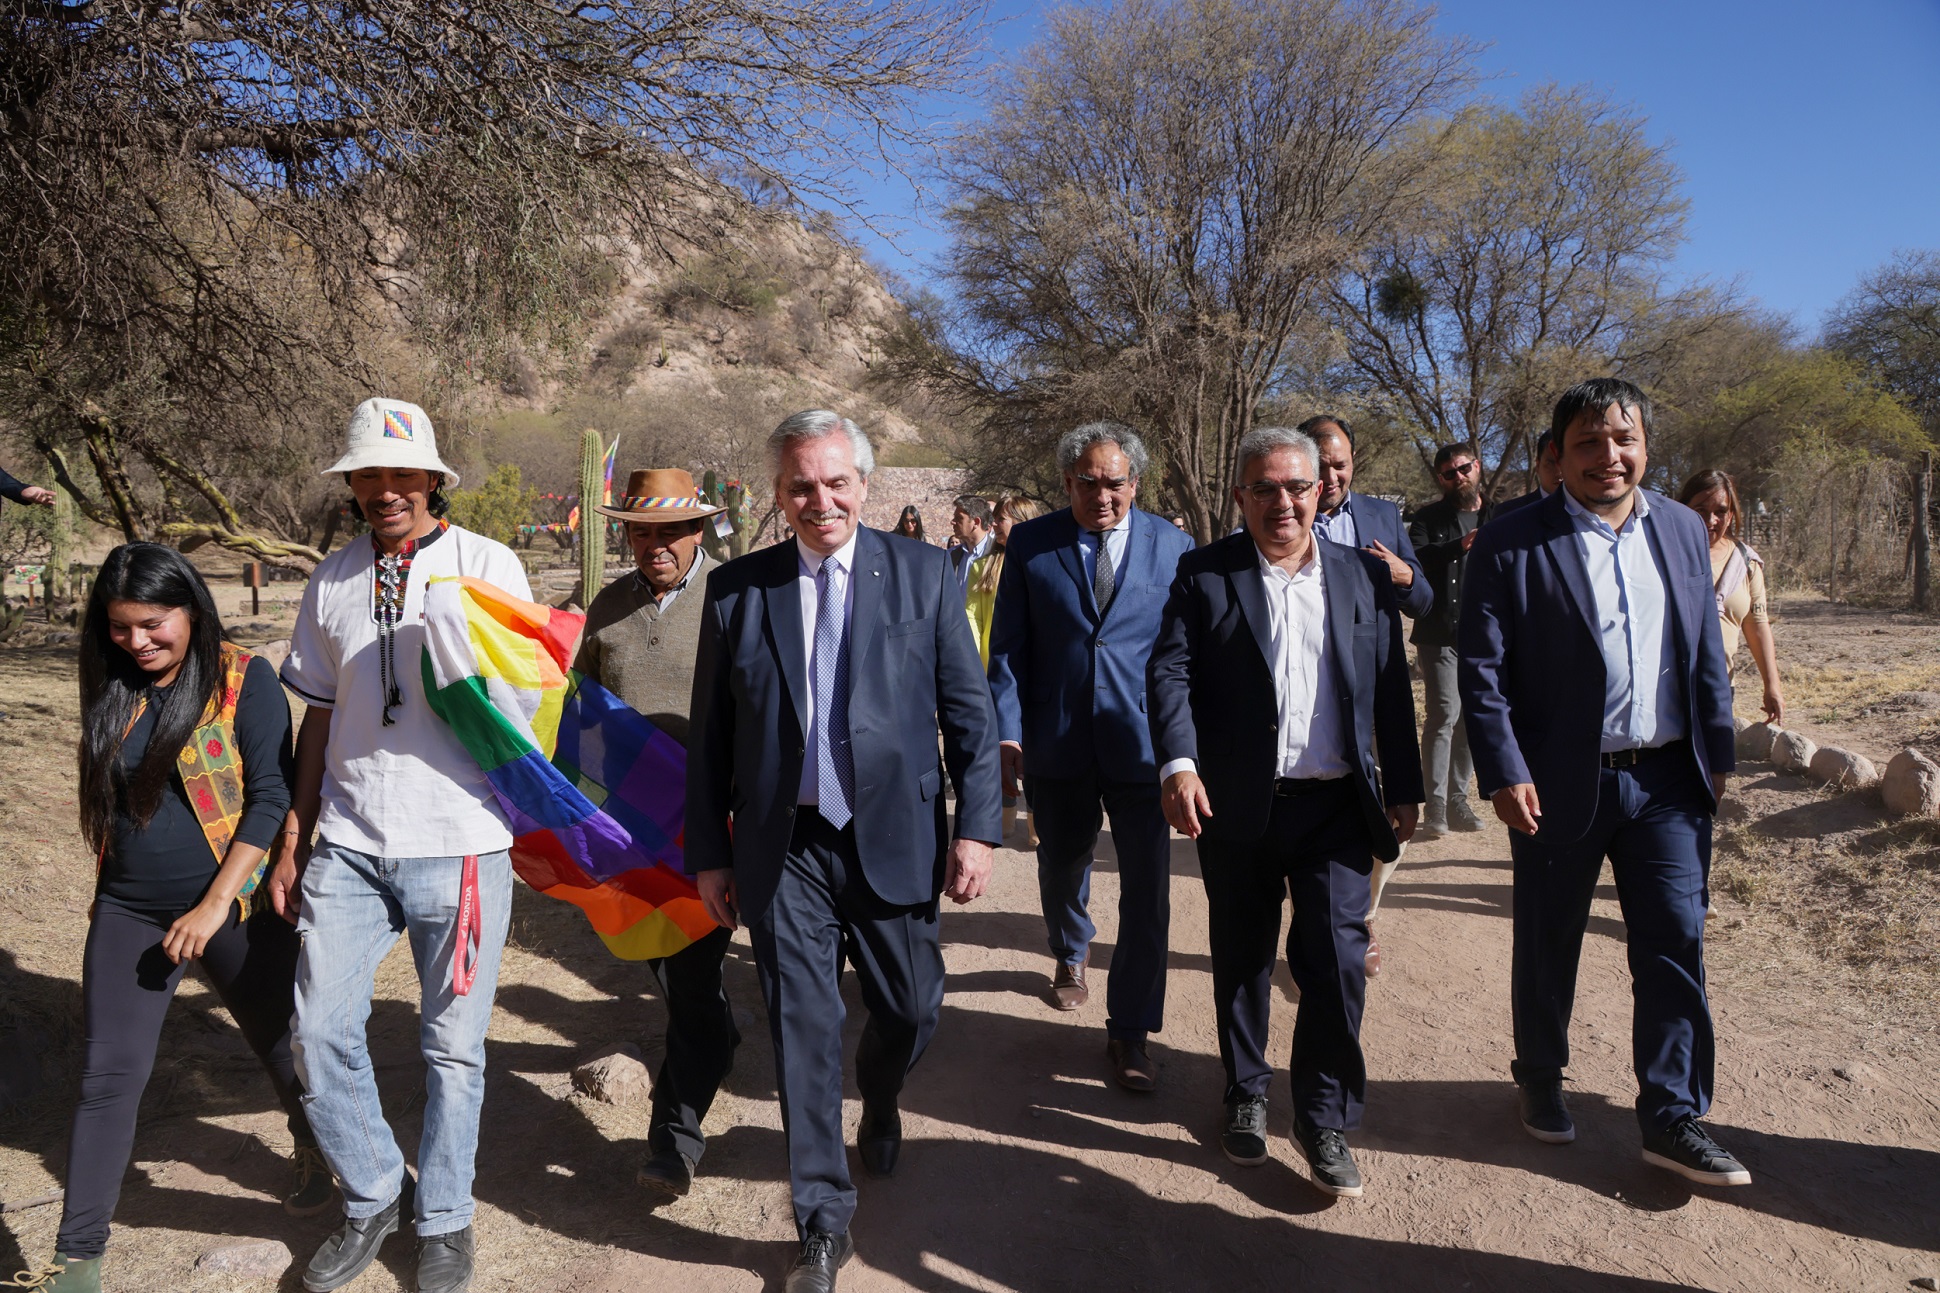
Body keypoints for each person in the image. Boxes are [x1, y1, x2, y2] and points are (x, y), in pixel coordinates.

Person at [686, 411, 1001, 1293]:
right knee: (801, 1026)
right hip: (785, 846)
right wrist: (711, 851)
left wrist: (975, 827)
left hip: (894, 836)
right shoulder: (739, 590)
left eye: (835, 483)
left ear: (864, 484)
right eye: (799, 486)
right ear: (779, 494)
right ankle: (821, 1220)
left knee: (910, 1008)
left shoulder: (925, 575)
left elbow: (971, 717)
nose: (818, 500)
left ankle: (885, 1093)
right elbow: (712, 736)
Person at [272, 398, 534, 1293]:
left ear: (431, 478)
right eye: (368, 475)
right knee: (316, 1027)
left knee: (451, 1047)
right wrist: (296, 830)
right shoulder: (331, 578)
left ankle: (447, 1219)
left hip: (459, 840)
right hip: (347, 840)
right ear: (352, 484)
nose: (385, 490)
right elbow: (317, 713)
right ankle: (377, 1187)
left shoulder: (487, 565)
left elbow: (525, 701)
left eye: (400, 473)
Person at [1460, 377, 1748, 1187]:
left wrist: (1715, 755)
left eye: (1623, 439)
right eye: (1589, 442)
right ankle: (1542, 1077)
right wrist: (1504, 769)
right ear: (1560, 454)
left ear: (1647, 446)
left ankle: (1671, 1114)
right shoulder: (1512, 540)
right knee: (1549, 940)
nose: (1608, 456)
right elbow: (1483, 673)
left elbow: (1704, 655)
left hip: (1668, 781)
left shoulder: (1688, 530)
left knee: (1674, 944)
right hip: (1558, 783)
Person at [17, 545, 324, 1293]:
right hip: (128, 905)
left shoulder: (240, 677)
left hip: (232, 902)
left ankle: (329, 1156)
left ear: (190, 607)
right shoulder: (113, 676)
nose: (137, 642)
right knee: (107, 1075)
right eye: (120, 628)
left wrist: (215, 904)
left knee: (285, 1047)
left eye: (153, 624)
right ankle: (76, 1262)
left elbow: (270, 798)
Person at [1149, 427, 1421, 1199]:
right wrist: (1179, 761)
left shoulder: (1361, 578)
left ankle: (1321, 1115)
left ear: (1321, 492)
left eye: (1297, 487)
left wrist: (1403, 783)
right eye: (1264, 488)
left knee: (1337, 962)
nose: (1283, 502)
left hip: (1335, 803)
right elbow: (1168, 672)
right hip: (1238, 805)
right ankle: (1245, 1089)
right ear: (1241, 497)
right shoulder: (1205, 575)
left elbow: (1391, 687)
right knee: (1242, 955)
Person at [986, 422, 1194, 1090]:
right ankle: (1070, 949)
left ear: (1135, 481)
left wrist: (1186, 751)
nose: (1101, 494)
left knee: (1148, 892)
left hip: (1143, 747)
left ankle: (1131, 1032)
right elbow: (1009, 647)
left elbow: (1184, 659)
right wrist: (1008, 732)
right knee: (1061, 864)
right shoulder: (1032, 543)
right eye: (1086, 482)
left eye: (1114, 482)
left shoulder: (1175, 546)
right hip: (1058, 739)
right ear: (1067, 481)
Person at [575, 468, 739, 1197]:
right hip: (631, 831)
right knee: (673, 973)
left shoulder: (736, 595)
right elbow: (576, 704)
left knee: (694, 977)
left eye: (669, 531)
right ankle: (715, 1043)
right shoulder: (606, 607)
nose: (654, 545)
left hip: (712, 822)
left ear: (697, 530)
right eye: (641, 532)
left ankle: (674, 1137)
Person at [1407, 443, 1492, 839]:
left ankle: (1459, 799)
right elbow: (1417, 559)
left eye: (1463, 469)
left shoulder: (1501, 515)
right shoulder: (1428, 518)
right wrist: (1460, 545)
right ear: (1440, 480)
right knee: (1443, 712)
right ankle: (1436, 804)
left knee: (1471, 717)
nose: (1457, 477)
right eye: (1448, 473)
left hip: (1487, 635)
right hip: (1439, 633)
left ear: (1477, 467)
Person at [966, 495, 1047, 844]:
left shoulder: (1045, 565)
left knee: (1037, 752)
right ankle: (1004, 820)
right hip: (993, 678)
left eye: (1002, 518)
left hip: (1039, 678)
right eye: (995, 518)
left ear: (1024, 520)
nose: (995, 524)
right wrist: (975, 669)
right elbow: (971, 621)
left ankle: (1037, 825)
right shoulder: (981, 568)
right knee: (1000, 749)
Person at [1299, 414, 1433, 620]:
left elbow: (1423, 604)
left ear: (1353, 458)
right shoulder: (1283, 519)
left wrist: (1405, 577)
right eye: (1320, 467)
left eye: (1340, 466)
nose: (1330, 478)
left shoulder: (1385, 515)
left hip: (1371, 651)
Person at [1677, 470, 1782, 724]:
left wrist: (1772, 685)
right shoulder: (1666, 554)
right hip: (1668, 687)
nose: (1710, 520)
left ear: (1732, 514)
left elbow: (1757, 625)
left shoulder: (1745, 561)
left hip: (1720, 686)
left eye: (1721, 511)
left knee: (1715, 763)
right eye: (1699, 510)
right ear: (1682, 510)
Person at [1492, 429, 1563, 518]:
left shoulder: (1584, 511)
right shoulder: (1509, 513)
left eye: (1565, 463)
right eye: (1550, 464)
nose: (1559, 472)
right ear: (1537, 466)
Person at [946, 494, 993, 602]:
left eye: (959, 518)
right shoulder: (952, 556)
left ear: (976, 522)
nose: (952, 522)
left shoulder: (996, 554)